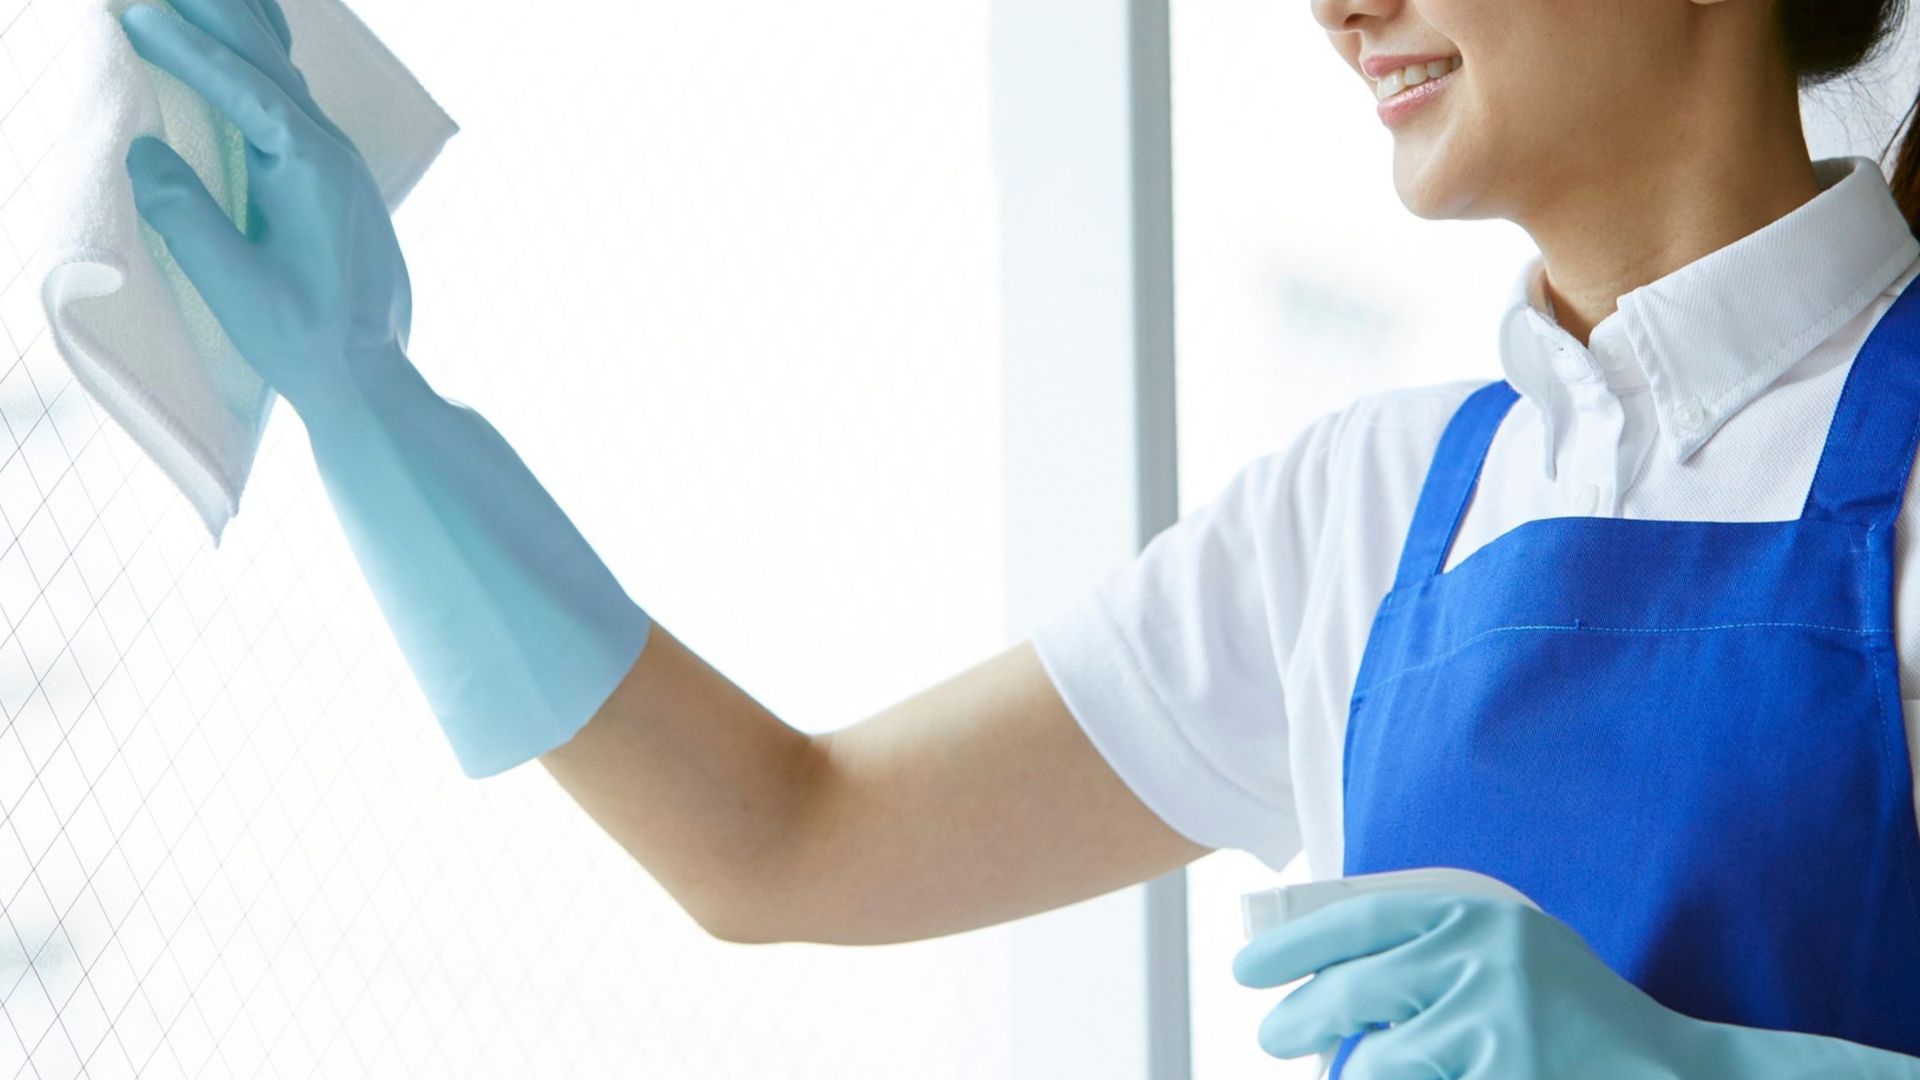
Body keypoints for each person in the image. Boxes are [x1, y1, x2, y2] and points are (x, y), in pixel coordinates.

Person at [112, 0, 1920, 1073]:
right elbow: (788, 839)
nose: (1334, 3)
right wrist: (374, 410)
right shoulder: (1366, 517)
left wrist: (1715, 1075)